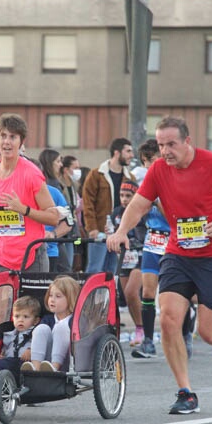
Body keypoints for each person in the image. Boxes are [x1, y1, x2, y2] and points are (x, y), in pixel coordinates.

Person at [107, 116, 212, 416]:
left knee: (209, 331)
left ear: (187, 141)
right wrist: (122, 231)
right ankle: (185, 392)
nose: (165, 151)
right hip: (178, 253)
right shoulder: (159, 170)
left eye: (171, 144)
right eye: (161, 145)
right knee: (169, 319)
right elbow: (138, 204)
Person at [0, 114, 58, 278]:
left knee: (27, 305)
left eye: (12, 137)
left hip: (30, 255)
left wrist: (24, 210)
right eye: (3, 136)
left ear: (21, 142)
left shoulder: (32, 174)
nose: (6, 142)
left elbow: (54, 217)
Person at [131, 139, 169, 359]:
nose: (148, 166)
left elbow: (173, 216)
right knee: (147, 292)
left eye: (152, 160)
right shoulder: (145, 181)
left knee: (171, 295)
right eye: (145, 162)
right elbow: (135, 211)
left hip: (173, 240)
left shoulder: (171, 179)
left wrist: (156, 201)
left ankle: (183, 334)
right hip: (152, 240)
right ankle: (147, 340)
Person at [82, 138, 134, 274]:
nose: (131, 155)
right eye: (128, 151)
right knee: (94, 270)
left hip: (120, 232)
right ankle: (90, 296)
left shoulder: (130, 178)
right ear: (117, 153)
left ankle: (109, 296)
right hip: (99, 231)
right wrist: (92, 228)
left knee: (112, 271)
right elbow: (88, 203)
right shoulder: (96, 175)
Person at [23, 275, 80, 372]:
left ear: (71, 299)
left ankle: (54, 368)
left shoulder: (75, 321)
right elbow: (38, 338)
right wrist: (30, 348)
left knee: (61, 328)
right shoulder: (47, 319)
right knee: (41, 328)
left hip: (68, 360)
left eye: (58, 296)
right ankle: (35, 369)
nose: (52, 300)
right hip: (45, 361)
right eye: (50, 295)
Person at [111, 181, 144, 344]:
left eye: (128, 196)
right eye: (121, 195)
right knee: (128, 296)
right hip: (124, 258)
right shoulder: (116, 213)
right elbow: (112, 232)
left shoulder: (142, 212)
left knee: (132, 292)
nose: (124, 199)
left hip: (141, 256)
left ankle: (144, 330)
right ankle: (139, 328)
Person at [0, 295, 39, 375]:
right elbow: (5, 350)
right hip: (11, 362)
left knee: (25, 365)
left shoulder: (36, 333)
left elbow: (41, 346)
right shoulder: (9, 335)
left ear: (35, 321)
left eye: (25, 317)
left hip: (25, 362)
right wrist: (1, 356)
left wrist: (31, 350)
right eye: (17, 316)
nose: (20, 320)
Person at [57, 155, 81, 271]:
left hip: (72, 229)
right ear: (66, 169)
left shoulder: (74, 186)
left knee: (70, 264)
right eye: (75, 168)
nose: (78, 171)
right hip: (62, 228)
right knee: (65, 264)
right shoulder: (59, 185)